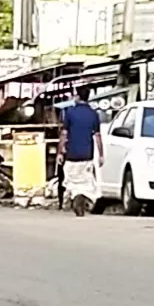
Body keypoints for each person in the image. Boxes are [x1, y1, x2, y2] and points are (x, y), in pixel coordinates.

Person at [58, 88, 103, 216]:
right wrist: (101, 154)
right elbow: (98, 136)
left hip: (72, 153)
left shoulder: (70, 112)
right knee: (86, 180)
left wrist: (60, 151)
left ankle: (76, 196)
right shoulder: (93, 114)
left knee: (71, 180)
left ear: (77, 97)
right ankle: (81, 197)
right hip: (87, 154)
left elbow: (64, 133)